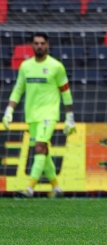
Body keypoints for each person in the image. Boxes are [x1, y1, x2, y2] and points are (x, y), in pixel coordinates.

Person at [2, 32, 77, 198]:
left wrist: (69, 117)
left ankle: (29, 188)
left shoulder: (56, 67)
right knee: (43, 151)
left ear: (47, 45)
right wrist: (9, 110)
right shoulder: (25, 66)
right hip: (32, 116)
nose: (40, 46)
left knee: (39, 147)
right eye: (36, 43)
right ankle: (56, 188)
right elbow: (18, 89)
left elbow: (65, 92)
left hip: (49, 114)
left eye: (42, 43)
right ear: (32, 45)